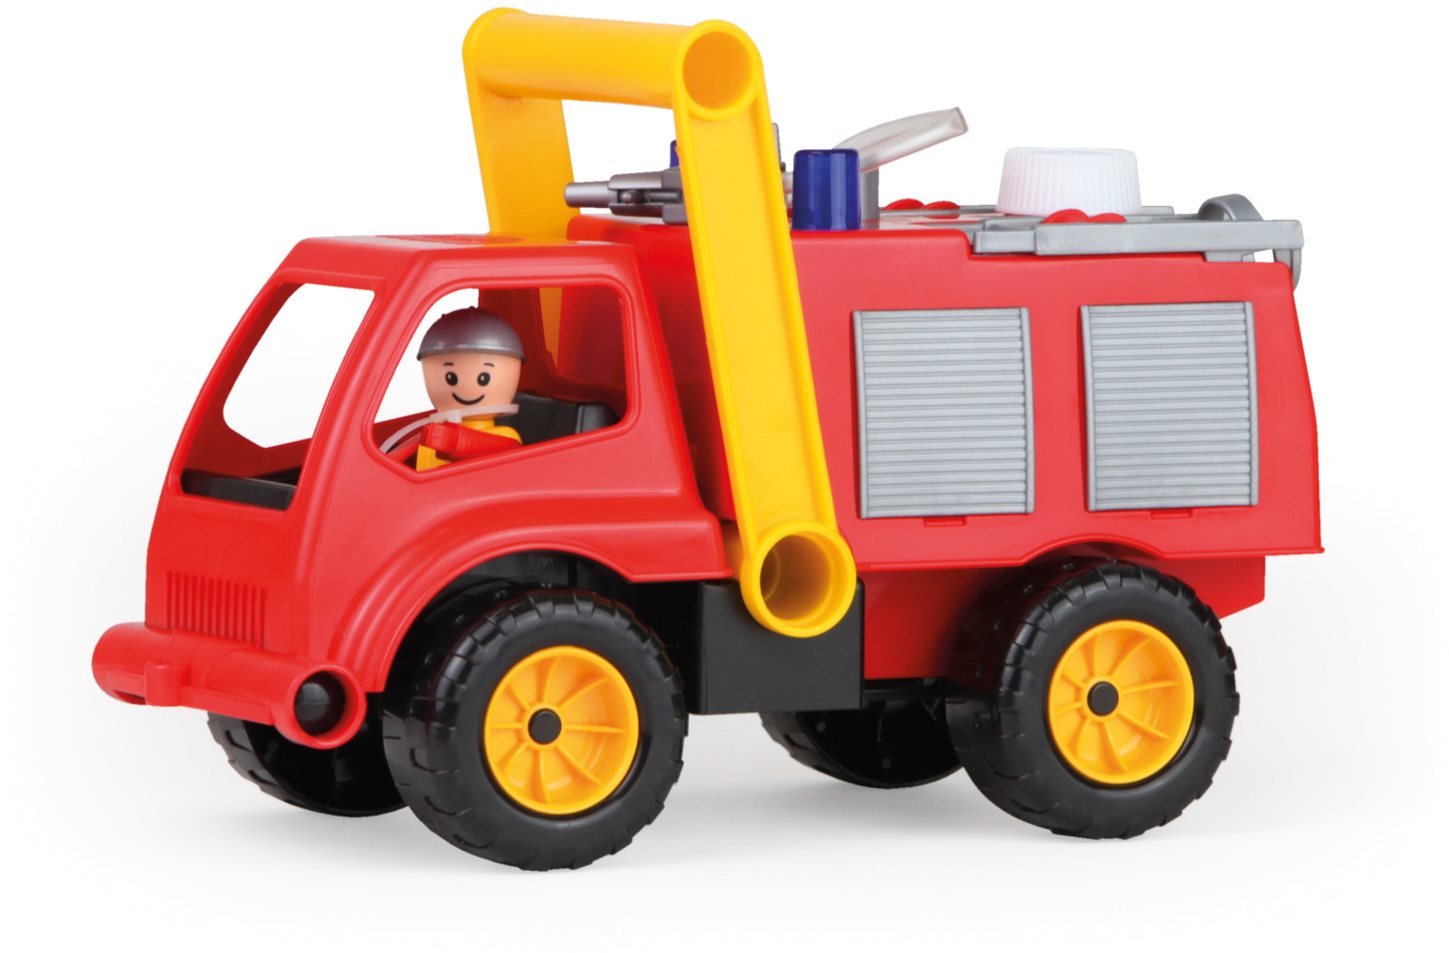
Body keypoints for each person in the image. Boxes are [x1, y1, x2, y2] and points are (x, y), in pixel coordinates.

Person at [394, 306, 526, 471]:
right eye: (451, 378)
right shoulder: (433, 436)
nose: (467, 389)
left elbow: (503, 451)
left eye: (483, 379)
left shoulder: (506, 437)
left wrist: (453, 442)